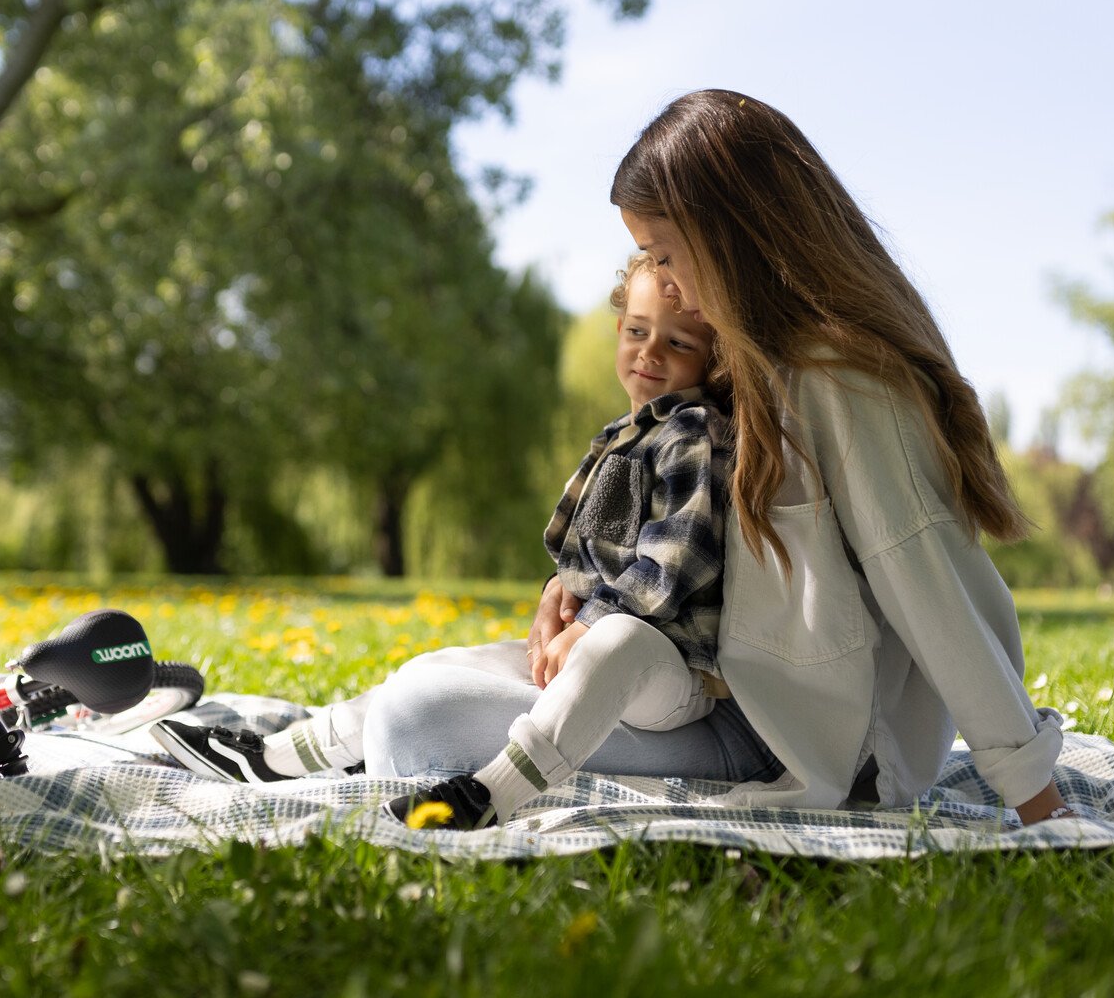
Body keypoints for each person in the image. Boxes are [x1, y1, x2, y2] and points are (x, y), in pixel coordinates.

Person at [152, 253, 785, 827]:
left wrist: (591, 621)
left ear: (712, 359)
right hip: (588, 646)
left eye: (678, 342)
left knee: (617, 642)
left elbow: (679, 559)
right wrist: (558, 594)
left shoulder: (696, 434)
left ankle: (494, 792)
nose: (650, 353)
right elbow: (585, 549)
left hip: (670, 674)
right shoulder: (621, 434)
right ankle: (282, 755)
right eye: (637, 331)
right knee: (441, 665)